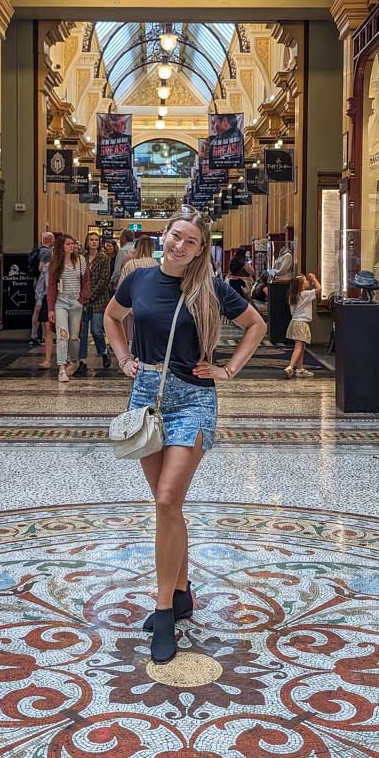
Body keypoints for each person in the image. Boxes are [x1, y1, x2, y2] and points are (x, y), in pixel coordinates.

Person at [104, 206, 266, 665]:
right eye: (176, 236)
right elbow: (112, 319)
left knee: (166, 499)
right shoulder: (137, 279)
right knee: (167, 504)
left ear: (200, 249)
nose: (180, 245)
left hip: (193, 399)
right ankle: (181, 593)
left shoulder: (210, 289)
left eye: (190, 241)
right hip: (147, 398)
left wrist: (229, 370)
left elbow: (256, 325)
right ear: (164, 235)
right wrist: (123, 358)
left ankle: (161, 611)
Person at [47, 234, 90, 384]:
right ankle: (61, 369)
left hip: (76, 302)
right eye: (68, 244)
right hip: (61, 302)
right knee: (62, 335)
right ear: (61, 247)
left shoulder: (80, 261)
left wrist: (82, 299)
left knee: (74, 337)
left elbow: (86, 282)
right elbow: (52, 286)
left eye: (72, 244)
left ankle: (74, 360)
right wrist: (51, 309)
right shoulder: (55, 263)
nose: (71, 246)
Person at [77, 232, 112, 372]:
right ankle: (82, 360)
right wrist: (83, 296)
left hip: (99, 299)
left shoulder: (104, 258)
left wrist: (91, 295)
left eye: (96, 240)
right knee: (83, 332)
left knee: (96, 330)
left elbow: (104, 279)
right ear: (87, 242)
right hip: (83, 299)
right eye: (91, 240)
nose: (93, 242)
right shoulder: (81, 258)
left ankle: (103, 352)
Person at [285, 272, 320, 378]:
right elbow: (319, 289)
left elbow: (292, 312)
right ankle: (290, 367)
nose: (307, 281)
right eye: (305, 280)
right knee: (299, 347)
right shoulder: (305, 294)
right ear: (301, 284)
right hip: (301, 323)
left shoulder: (293, 296)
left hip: (295, 322)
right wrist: (314, 279)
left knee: (301, 347)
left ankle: (300, 368)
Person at [30, 230, 55, 366]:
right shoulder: (47, 255)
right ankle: (48, 359)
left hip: (55, 298)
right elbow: (42, 279)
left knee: (53, 328)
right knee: (47, 328)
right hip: (47, 296)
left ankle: (34, 335)